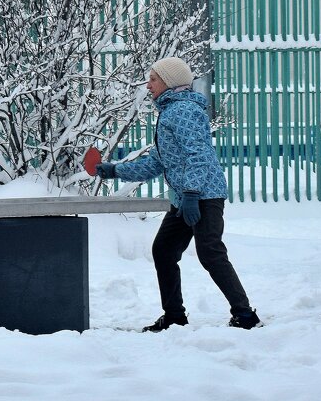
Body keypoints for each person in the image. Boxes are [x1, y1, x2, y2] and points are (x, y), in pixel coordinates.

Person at [95, 56, 261, 332]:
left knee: (210, 253)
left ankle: (245, 315)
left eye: (153, 79)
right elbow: (158, 162)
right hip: (185, 198)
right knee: (164, 251)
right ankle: (174, 316)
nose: (148, 85)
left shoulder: (183, 111)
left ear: (169, 82)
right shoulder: (170, 111)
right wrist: (115, 171)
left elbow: (198, 156)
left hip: (203, 196)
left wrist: (193, 194)